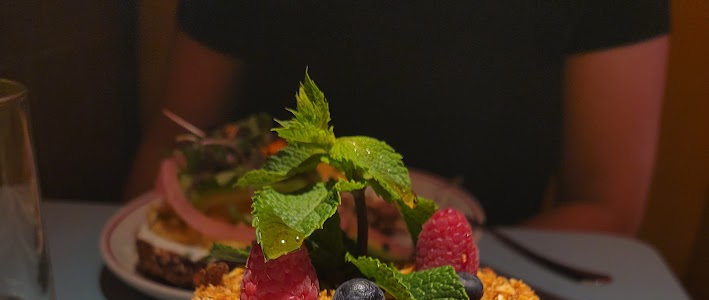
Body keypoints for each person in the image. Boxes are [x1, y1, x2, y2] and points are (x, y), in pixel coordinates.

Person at [124, 0, 670, 235]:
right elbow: (173, 143)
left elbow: (607, 206)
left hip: (479, 283)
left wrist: (454, 261)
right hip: (264, 267)